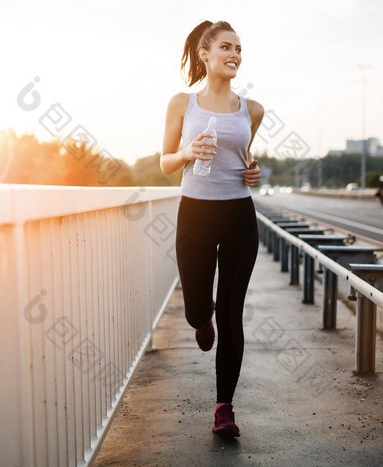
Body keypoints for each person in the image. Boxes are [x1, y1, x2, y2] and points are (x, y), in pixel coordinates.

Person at [159, 20, 263, 438]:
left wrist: (254, 172)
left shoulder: (251, 109)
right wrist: (187, 151)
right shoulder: (182, 104)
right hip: (195, 215)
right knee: (197, 310)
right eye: (226, 47)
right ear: (205, 53)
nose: (235, 54)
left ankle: (224, 409)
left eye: (239, 48)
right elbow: (165, 161)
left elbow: (244, 157)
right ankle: (203, 318)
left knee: (233, 313)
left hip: (239, 217)